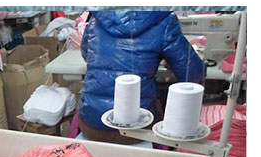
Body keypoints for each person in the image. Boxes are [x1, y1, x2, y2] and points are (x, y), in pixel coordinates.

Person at [78, 10, 204, 144]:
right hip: (135, 130)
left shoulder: (97, 17)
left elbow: (87, 54)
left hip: (91, 124)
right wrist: (166, 59)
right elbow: (192, 74)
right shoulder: (164, 19)